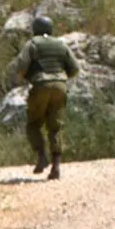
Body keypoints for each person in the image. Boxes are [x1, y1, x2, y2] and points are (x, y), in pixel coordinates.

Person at [12, 15, 81, 180]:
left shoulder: (33, 44)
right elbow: (75, 68)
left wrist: (26, 77)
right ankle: (56, 167)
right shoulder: (61, 44)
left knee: (33, 125)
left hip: (40, 84)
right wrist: (61, 77)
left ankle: (42, 156)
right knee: (56, 127)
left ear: (35, 29)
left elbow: (21, 67)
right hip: (60, 86)